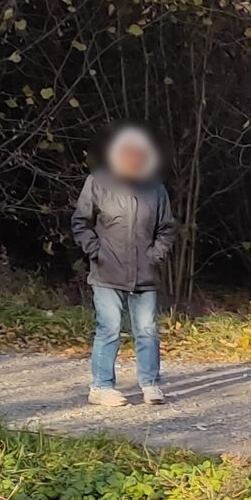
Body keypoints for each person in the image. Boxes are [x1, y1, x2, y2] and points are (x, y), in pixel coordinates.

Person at [72, 125, 176, 406]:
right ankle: (101, 387)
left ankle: (150, 384)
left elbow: (166, 229)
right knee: (109, 329)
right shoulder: (97, 183)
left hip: (145, 273)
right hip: (107, 272)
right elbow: (80, 223)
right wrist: (96, 252)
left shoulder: (156, 189)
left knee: (147, 330)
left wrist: (155, 256)